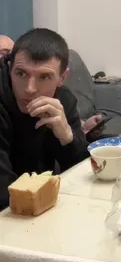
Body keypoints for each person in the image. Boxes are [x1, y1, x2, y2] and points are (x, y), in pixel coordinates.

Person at [0, 27, 89, 210]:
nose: (30, 89)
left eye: (44, 77)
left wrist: (67, 138)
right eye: (21, 73)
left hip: (40, 203)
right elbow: (2, 192)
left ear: (62, 78)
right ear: (9, 69)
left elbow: (83, 175)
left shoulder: (64, 101)